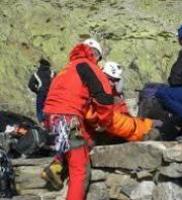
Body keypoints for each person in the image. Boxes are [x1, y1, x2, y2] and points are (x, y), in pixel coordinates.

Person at [42, 38, 154, 200]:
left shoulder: (67, 69)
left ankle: (56, 167)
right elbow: (104, 99)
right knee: (80, 171)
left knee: (79, 147)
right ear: (97, 57)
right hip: (68, 119)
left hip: (51, 119)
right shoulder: (89, 67)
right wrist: (104, 121)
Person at [28, 58, 55, 124]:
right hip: (51, 94)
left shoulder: (36, 74)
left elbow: (30, 85)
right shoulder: (52, 73)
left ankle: (43, 123)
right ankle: (53, 122)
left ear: (40, 65)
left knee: (40, 109)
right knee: (52, 108)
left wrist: (37, 91)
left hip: (41, 93)